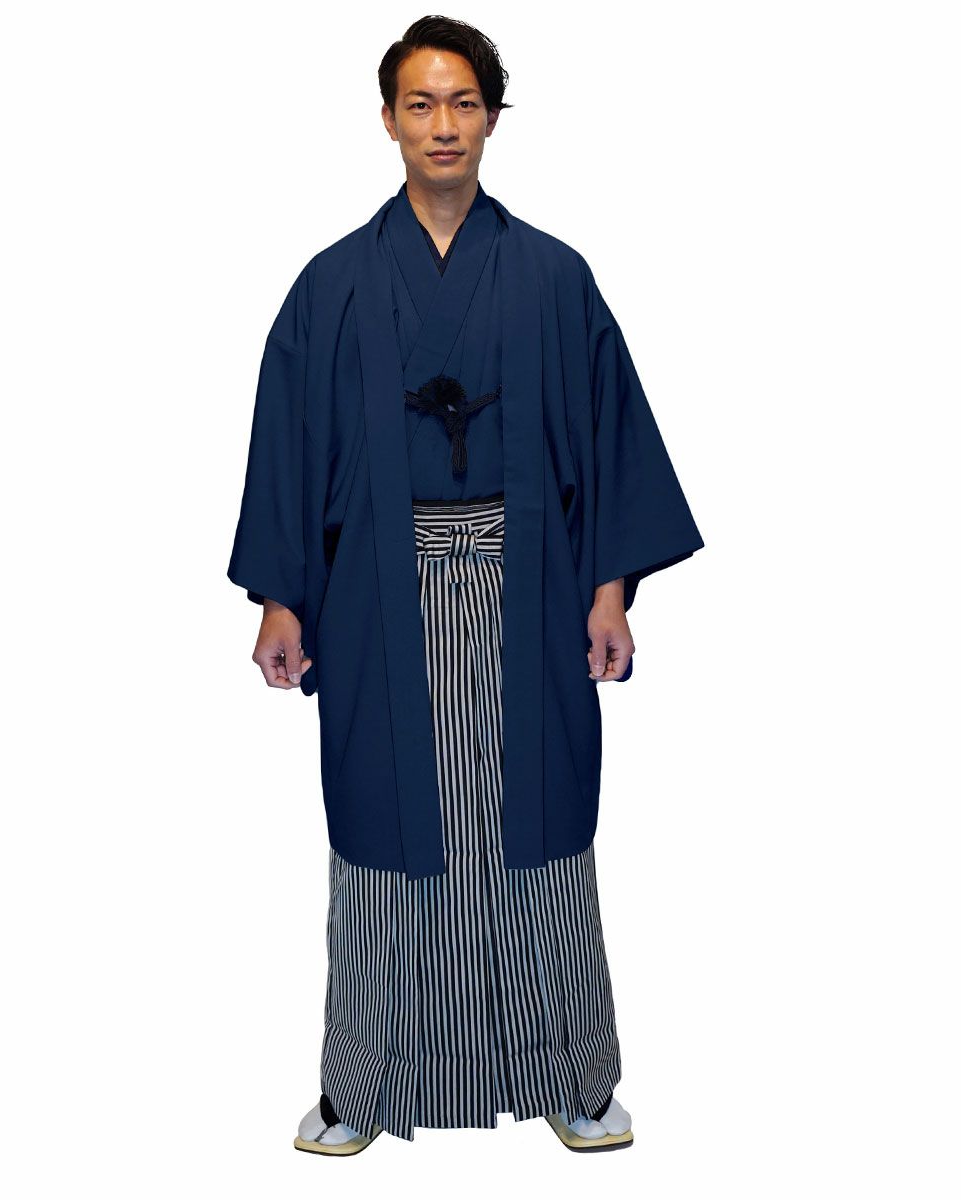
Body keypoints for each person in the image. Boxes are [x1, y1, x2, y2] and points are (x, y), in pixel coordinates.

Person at [227, 16, 704, 1156]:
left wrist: (609, 591)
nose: (443, 124)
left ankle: (571, 1074)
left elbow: (609, 441)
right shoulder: (333, 286)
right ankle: (364, 1082)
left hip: (529, 586)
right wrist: (283, 597)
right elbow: (288, 446)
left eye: (464, 102)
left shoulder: (553, 277)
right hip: (377, 597)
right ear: (388, 119)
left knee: (539, 831)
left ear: (492, 116)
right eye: (421, 103)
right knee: (384, 834)